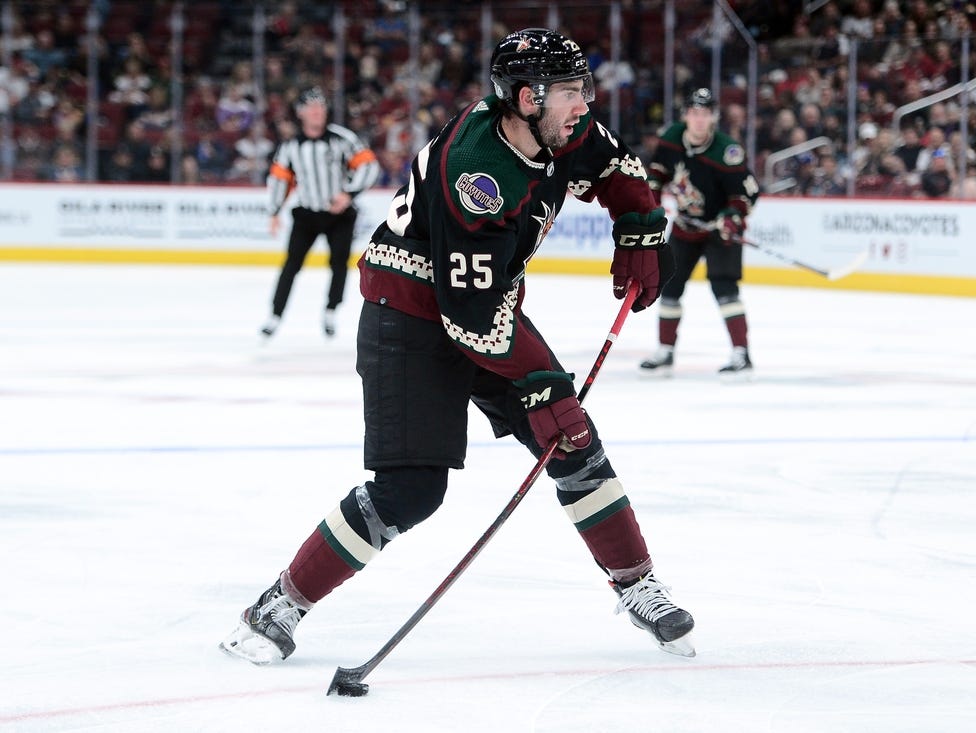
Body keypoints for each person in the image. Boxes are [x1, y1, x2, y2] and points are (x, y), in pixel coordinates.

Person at [220, 28, 695, 665]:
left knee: (573, 441)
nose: (585, 102)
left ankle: (638, 587)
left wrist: (639, 228)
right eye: (571, 91)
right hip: (409, 317)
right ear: (528, 98)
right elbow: (471, 317)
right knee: (411, 491)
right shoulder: (478, 176)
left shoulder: (560, 127)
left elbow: (615, 167)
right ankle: (278, 605)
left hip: (480, 302)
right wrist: (544, 385)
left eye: (585, 87)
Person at [638, 87, 761, 380]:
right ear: (686, 116)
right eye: (694, 113)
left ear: (713, 117)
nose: (699, 120)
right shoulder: (670, 140)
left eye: (705, 114)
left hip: (720, 231)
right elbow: (656, 175)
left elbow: (747, 195)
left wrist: (731, 219)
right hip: (685, 226)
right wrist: (651, 205)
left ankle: (741, 354)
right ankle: (665, 352)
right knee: (669, 288)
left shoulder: (727, 151)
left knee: (725, 289)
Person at [260, 87, 381, 339]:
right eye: (312, 108)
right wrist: (274, 211)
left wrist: (348, 194)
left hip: (340, 214)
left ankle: (331, 310)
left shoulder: (342, 138)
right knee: (291, 265)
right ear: (301, 113)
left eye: (321, 108)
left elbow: (368, 165)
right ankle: (275, 314)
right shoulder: (291, 147)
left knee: (338, 264)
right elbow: (280, 180)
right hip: (307, 214)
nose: (318, 113)